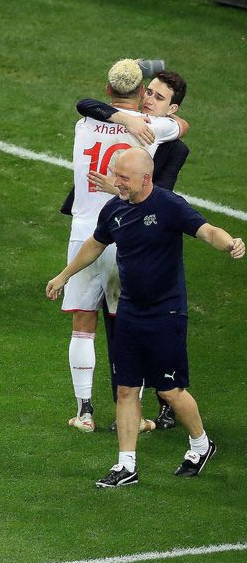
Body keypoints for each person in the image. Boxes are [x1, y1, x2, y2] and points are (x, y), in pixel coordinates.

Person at [47, 148, 243, 487]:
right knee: (126, 389)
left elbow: (207, 230)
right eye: (115, 174)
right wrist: (63, 275)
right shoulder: (115, 209)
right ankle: (126, 466)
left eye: (123, 177)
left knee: (170, 391)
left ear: (145, 178)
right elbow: (94, 244)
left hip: (166, 313)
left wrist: (230, 243)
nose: (116, 182)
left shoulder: (169, 205)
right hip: (129, 312)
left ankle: (201, 444)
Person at [52, 59, 185, 431]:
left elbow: (86, 104)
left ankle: (84, 412)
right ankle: (134, 416)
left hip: (83, 234)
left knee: (82, 323)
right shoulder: (154, 128)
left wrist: (120, 115)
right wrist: (135, 119)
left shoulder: (83, 124)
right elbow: (182, 126)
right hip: (125, 235)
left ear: (108, 90)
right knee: (128, 323)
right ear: (142, 93)